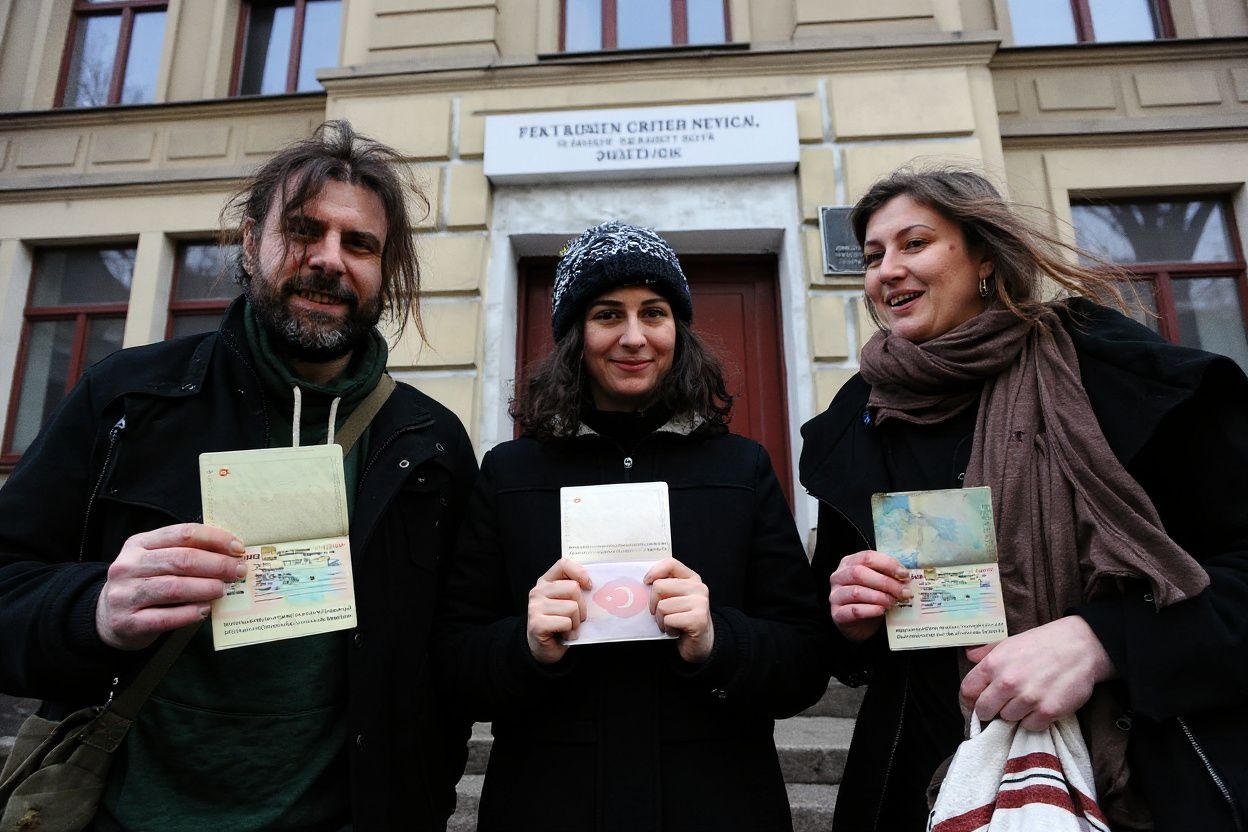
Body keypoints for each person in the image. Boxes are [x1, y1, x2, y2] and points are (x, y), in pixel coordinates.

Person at [0, 121, 478, 831]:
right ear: (252, 243)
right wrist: (92, 606)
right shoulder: (133, 398)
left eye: (359, 244)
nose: (329, 260)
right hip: (125, 814)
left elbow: (451, 655)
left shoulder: (427, 442)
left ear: (386, 270)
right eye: (303, 232)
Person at [798, 168, 1248, 831]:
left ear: (984, 256)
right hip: (919, 785)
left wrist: (1104, 641)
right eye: (872, 256)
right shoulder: (857, 418)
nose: (887, 271)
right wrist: (851, 614)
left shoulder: (1113, 374)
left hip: (1134, 778)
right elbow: (835, 645)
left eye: (914, 244)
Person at [435, 221, 831, 831]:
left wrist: (717, 641)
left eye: (654, 313)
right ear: (575, 335)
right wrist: (526, 645)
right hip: (548, 803)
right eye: (606, 315)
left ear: (679, 330)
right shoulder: (510, 473)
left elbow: (804, 658)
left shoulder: (740, 467)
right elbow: (454, 659)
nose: (634, 337)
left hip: (717, 802)